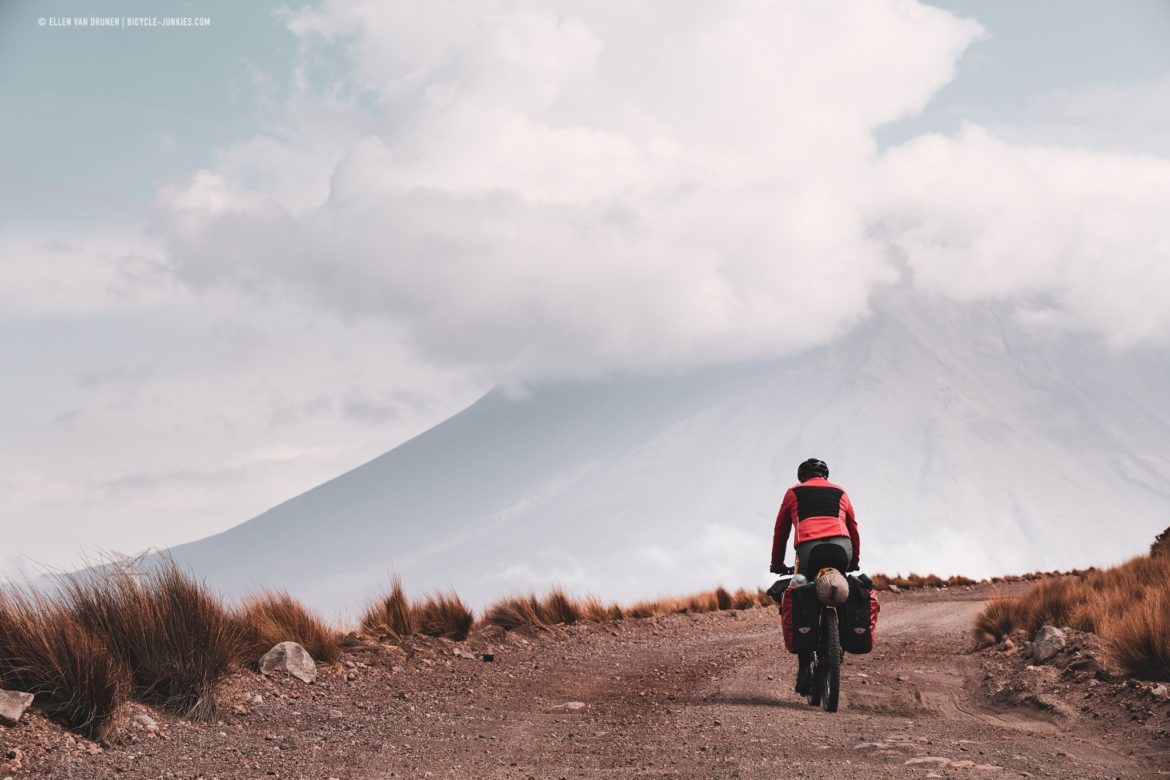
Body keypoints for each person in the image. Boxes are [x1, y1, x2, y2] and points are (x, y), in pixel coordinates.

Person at [769, 458, 860, 695]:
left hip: (809, 550)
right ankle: (837, 641)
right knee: (841, 586)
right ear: (825, 476)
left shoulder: (793, 492)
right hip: (842, 548)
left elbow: (781, 530)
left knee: (803, 595)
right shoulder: (841, 492)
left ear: (802, 476)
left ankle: (804, 670)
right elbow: (853, 527)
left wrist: (777, 563)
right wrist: (855, 560)